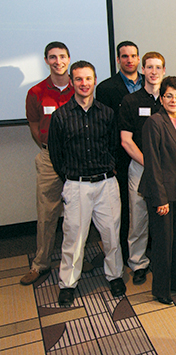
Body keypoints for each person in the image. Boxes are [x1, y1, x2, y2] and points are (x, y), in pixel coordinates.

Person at [49, 61, 125, 306]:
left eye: (88, 79)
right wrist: (71, 177)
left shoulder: (107, 113)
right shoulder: (61, 116)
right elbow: (56, 155)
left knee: (112, 234)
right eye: (79, 79)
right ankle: (68, 283)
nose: (84, 84)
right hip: (76, 185)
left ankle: (115, 275)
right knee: (74, 238)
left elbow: (114, 145)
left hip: (106, 183)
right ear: (72, 82)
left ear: (94, 81)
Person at [21, 42, 75, 286]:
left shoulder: (80, 87)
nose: (58, 61)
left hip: (77, 157)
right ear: (46, 60)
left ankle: (78, 259)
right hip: (49, 158)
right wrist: (46, 144)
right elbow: (34, 124)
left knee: (80, 212)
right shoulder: (36, 92)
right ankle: (41, 263)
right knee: (46, 213)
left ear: (69, 58)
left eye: (62, 56)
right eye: (52, 57)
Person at [139, 76, 176, 305]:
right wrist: (160, 198)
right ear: (161, 98)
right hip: (161, 194)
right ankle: (162, 290)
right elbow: (152, 163)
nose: (174, 100)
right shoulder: (154, 122)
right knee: (163, 244)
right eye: (169, 95)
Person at [119, 52, 165, 285]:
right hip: (140, 167)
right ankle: (138, 263)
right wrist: (150, 163)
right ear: (143, 70)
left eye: (158, 67)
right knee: (138, 218)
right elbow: (126, 140)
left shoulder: (171, 100)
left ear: (164, 71)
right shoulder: (131, 101)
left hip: (166, 170)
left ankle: (161, 260)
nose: (154, 71)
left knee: (163, 217)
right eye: (149, 67)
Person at [96, 41, 143, 264]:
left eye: (133, 56)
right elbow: (104, 127)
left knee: (148, 205)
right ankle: (125, 251)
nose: (129, 60)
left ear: (138, 58)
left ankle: (148, 245)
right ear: (118, 60)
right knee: (126, 205)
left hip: (148, 153)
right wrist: (110, 159)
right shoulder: (106, 88)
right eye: (124, 56)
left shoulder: (151, 84)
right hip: (122, 157)